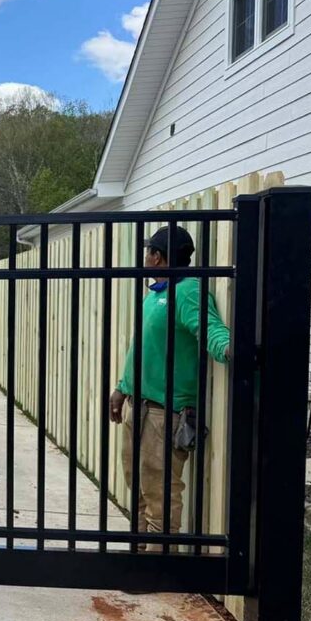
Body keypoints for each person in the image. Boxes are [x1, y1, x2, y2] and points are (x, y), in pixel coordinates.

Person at [108, 226, 231, 550]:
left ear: (158, 257)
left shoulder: (188, 292)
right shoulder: (156, 294)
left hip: (166, 414)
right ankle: (139, 551)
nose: (145, 256)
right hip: (140, 407)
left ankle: (159, 563)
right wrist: (122, 388)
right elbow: (142, 348)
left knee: (161, 490)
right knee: (137, 485)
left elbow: (210, 329)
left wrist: (231, 348)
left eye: (148, 250)